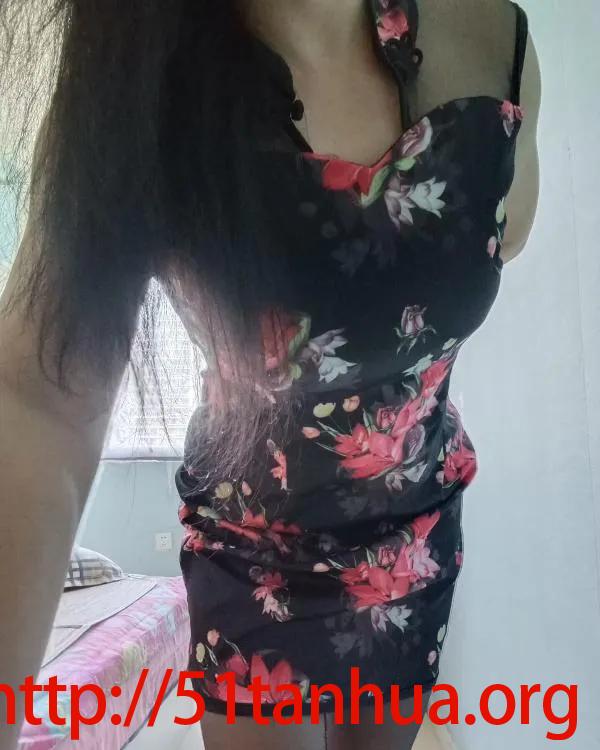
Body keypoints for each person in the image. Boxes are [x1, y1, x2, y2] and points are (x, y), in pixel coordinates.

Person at [0, 0, 541, 748]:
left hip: (411, 542)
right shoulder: (134, 68)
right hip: (251, 553)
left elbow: (502, 237)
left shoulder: (497, 43)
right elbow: (40, 397)